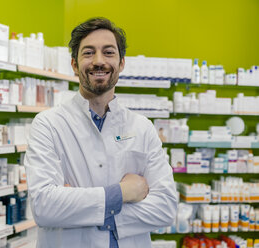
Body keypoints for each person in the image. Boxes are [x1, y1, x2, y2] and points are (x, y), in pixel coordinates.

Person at [24, 17, 177, 248]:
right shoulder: (48, 124)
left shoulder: (142, 128)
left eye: (108, 52)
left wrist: (80, 209)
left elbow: (165, 208)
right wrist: (123, 194)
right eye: (88, 53)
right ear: (74, 64)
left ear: (121, 62)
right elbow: (45, 207)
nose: (98, 61)